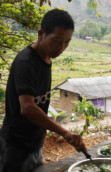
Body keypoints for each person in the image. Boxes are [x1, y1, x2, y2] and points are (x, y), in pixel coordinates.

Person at [0, 9, 87, 172]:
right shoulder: (25, 62)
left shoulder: (46, 58)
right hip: (16, 148)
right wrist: (65, 133)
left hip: (34, 145)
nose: (61, 47)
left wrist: (43, 130)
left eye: (67, 42)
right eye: (56, 40)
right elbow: (27, 108)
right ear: (41, 34)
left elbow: (40, 102)